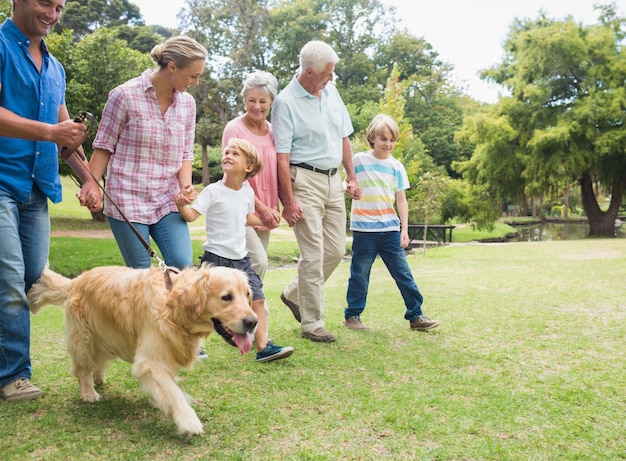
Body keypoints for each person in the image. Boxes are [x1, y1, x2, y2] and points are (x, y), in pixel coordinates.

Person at [0, 0, 101, 402]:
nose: (54, 14)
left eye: (60, 7)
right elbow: (51, 130)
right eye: (46, 3)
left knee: (28, 281)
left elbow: (65, 136)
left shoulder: (55, 68)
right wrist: (50, 132)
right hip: (2, 182)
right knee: (8, 282)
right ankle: (14, 376)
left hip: (37, 189)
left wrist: (90, 181)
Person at [83, 36, 208, 271]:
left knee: (181, 266)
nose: (196, 82)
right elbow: (103, 147)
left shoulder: (188, 104)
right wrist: (91, 185)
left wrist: (185, 186)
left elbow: (185, 153)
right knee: (141, 275)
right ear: (172, 67)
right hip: (127, 197)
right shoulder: (124, 95)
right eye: (193, 75)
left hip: (167, 199)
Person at [271, 40, 361, 343]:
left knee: (335, 251)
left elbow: (344, 137)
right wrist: (289, 200)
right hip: (304, 181)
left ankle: (294, 293)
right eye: (327, 74)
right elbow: (281, 157)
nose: (331, 79)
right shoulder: (285, 102)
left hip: (334, 181)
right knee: (312, 254)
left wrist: (352, 176)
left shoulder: (331, 92)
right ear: (309, 72)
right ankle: (312, 324)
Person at [175, 138, 294, 363]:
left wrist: (265, 220)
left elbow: (244, 216)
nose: (227, 155)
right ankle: (193, 344)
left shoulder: (247, 193)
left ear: (248, 167)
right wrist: (181, 203)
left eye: (235, 154)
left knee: (257, 300)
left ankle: (263, 347)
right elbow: (191, 215)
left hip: (242, 260)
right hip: (216, 260)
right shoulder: (213, 191)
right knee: (200, 303)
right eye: (227, 152)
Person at [343, 115, 440, 331]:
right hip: (364, 230)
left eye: (392, 140)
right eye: (383, 139)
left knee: (403, 273)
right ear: (372, 138)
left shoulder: (397, 166)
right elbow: (346, 182)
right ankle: (352, 316)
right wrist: (348, 188)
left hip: (389, 230)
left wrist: (404, 230)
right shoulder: (358, 160)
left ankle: (416, 316)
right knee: (359, 274)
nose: (388, 144)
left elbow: (401, 200)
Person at [222, 71, 281, 334]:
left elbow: (277, 168)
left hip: (267, 210)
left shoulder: (274, 131)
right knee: (257, 263)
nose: (257, 106)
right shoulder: (234, 128)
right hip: (241, 208)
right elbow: (234, 173)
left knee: (254, 269)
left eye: (263, 101)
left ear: (271, 102)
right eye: (251, 100)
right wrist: (261, 206)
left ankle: (241, 321)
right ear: (244, 99)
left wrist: (279, 205)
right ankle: (258, 327)